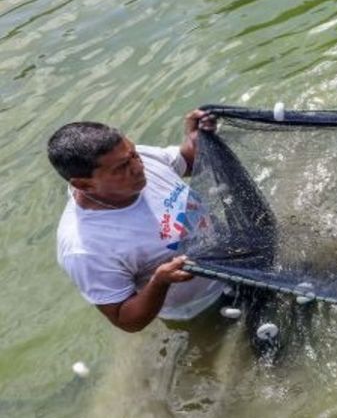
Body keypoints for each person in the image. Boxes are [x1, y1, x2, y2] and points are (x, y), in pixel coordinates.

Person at [49, 111, 225, 332]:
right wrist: (160, 282)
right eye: (121, 168)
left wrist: (194, 139)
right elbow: (126, 319)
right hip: (201, 307)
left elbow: (187, 162)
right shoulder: (85, 248)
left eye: (133, 155)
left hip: (235, 260)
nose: (138, 167)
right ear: (84, 185)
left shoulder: (135, 157)